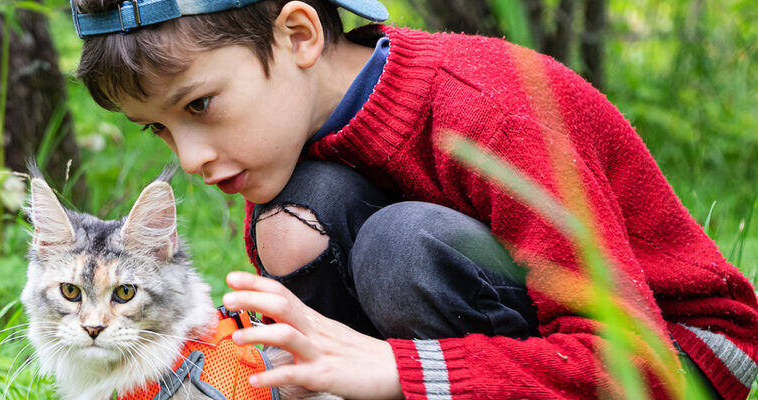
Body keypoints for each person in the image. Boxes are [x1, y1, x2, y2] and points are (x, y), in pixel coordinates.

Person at [68, 0, 758, 397]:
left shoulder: (490, 111)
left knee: (401, 247)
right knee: (300, 216)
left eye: (200, 104)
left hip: (678, 357)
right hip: (519, 347)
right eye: (159, 128)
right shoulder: (285, 152)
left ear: (299, 35)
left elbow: (641, 362)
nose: (189, 158)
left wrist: (400, 370)